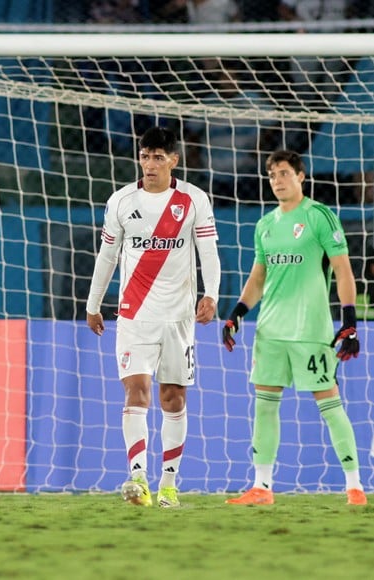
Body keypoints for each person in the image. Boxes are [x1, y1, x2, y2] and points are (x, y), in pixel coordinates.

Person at [85, 126, 221, 508]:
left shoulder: (193, 200)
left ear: (174, 160)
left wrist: (211, 294)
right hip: (134, 315)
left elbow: (208, 252)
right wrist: (93, 304)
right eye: (145, 156)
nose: (150, 164)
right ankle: (138, 477)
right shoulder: (121, 201)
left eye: (158, 157)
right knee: (137, 390)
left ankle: (170, 485)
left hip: (179, 317)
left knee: (173, 396)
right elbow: (107, 257)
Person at [221, 149, 366, 506]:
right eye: (272, 175)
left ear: (301, 176)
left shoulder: (319, 217)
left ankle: (354, 486)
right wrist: (237, 313)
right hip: (270, 330)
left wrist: (349, 321)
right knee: (265, 405)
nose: (277, 180)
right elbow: (258, 278)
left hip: (310, 330)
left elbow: (343, 271)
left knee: (329, 404)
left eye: (284, 173)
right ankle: (261, 487)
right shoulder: (265, 225)